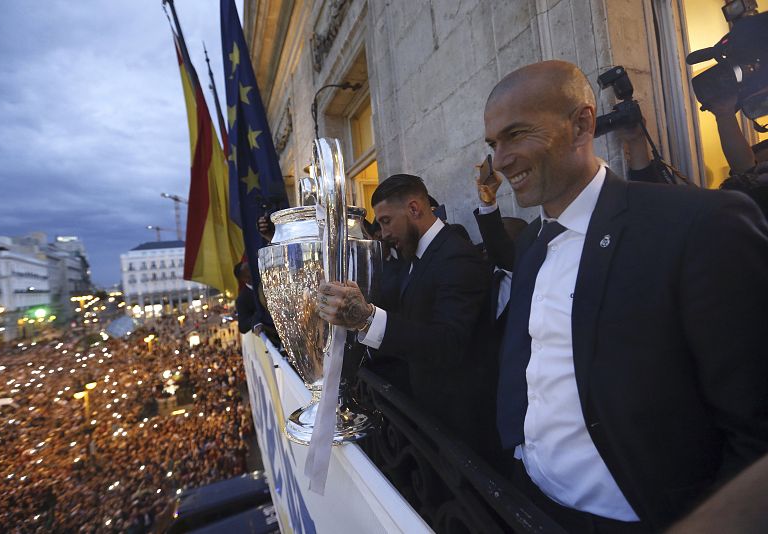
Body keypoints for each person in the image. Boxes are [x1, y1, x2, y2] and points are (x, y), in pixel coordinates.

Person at [484, 60, 768, 532]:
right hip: (533, 502)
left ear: (582, 125)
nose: (499, 160)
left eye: (516, 135)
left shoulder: (699, 225)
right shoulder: (531, 244)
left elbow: (755, 427)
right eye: (494, 144)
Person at [316, 174, 496, 452]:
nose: (383, 233)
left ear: (414, 209)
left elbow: (448, 342)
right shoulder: (418, 254)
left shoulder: (456, 257)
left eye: (386, 221)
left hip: (463, 425)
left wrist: (367, 319)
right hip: (430, 414)